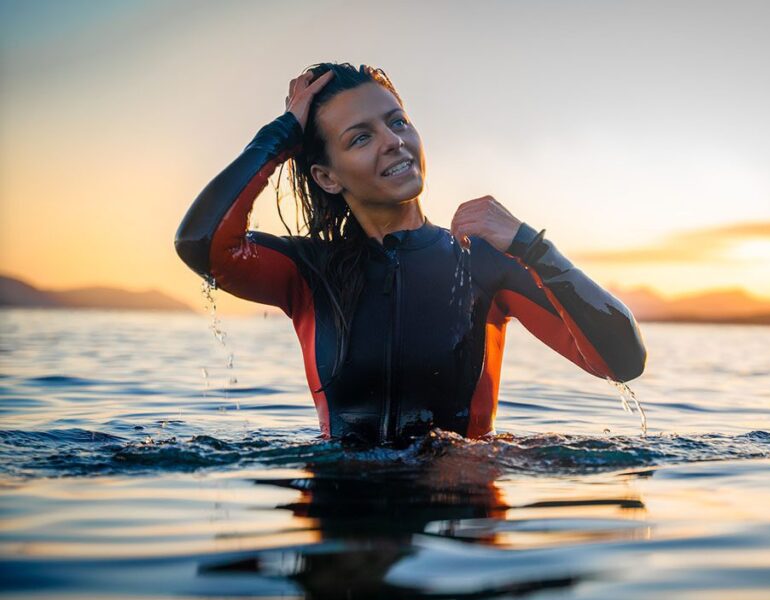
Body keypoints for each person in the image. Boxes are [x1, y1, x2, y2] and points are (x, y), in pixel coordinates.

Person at [175, 62, 646, 445]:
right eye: (360, 137)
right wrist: (280, 135)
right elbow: (201, 243)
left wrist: (532, 246)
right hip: (342, 525)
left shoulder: (483, 263)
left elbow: (622, 361)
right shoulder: (307, 272)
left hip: (458, 530)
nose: (393, 141)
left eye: (397, 121)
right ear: (326, 177)